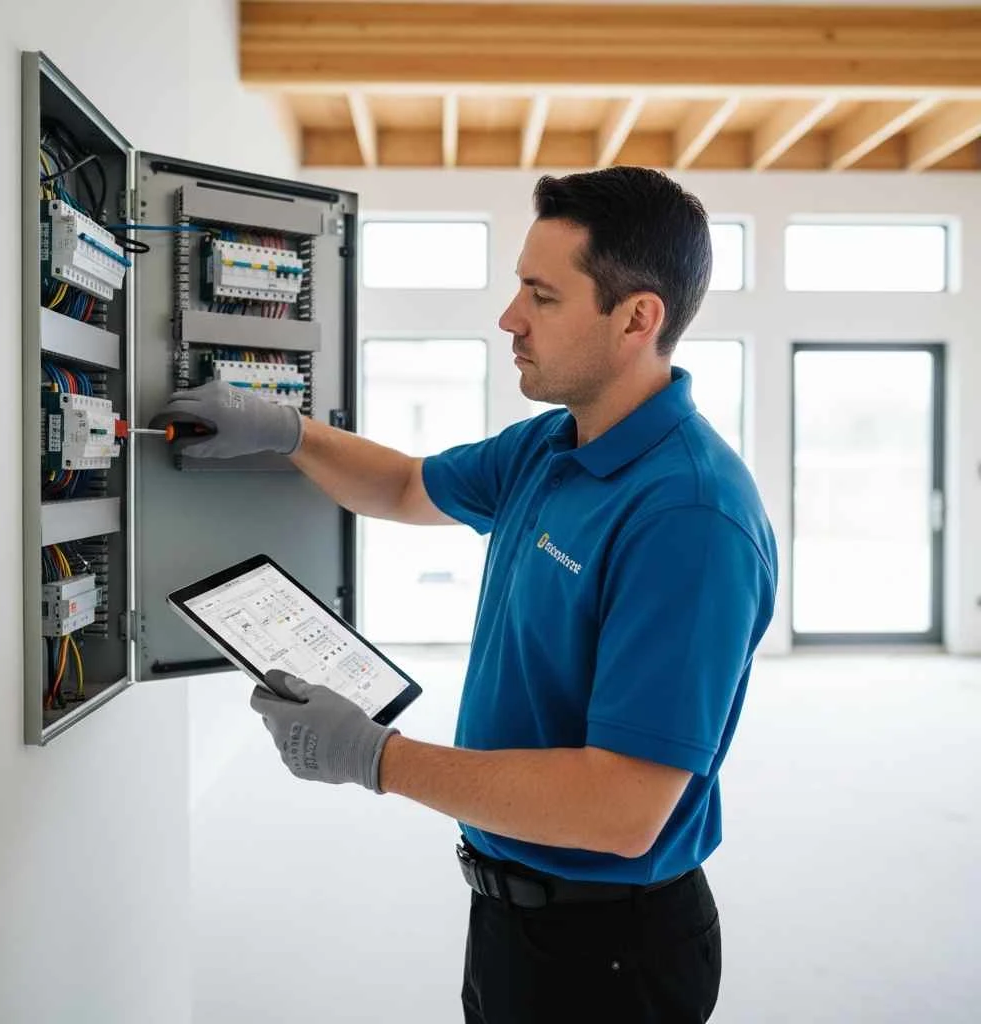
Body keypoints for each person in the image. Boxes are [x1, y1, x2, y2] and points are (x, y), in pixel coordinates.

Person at [152, 166, 777, 1023]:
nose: (509, 318)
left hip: (611, 954)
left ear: (638, 318)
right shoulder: (551, 445)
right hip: (510, 915)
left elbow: (623, 809)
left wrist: (375, 757)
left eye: (542, 296)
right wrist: (286, 431)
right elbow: (406, 485)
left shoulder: (690, 518)